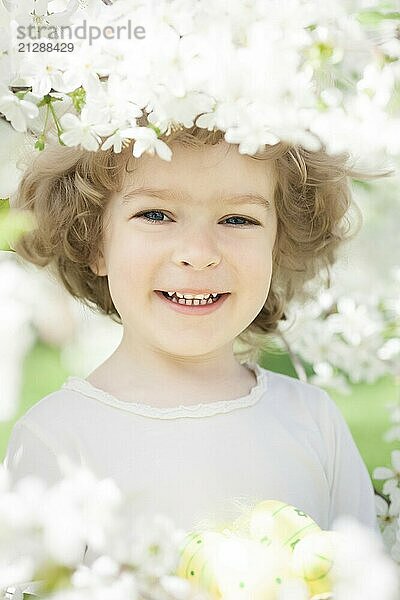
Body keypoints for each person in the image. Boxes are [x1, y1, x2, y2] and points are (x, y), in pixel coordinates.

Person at [4, 125, 381, 551]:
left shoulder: (314, 422)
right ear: (95, 241)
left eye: (238, 219)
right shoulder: (57, 438)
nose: (199, 253)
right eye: (156, 215)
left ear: (279, 246)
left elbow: (364, 578)